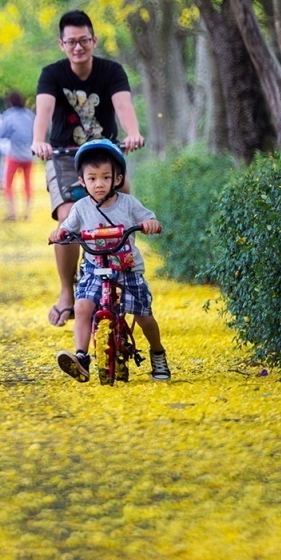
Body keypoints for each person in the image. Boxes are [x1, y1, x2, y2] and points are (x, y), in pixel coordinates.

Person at [32, 9, 144, 327]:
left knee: (124, 207)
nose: (78, 47)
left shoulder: (111, 71)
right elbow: (44, 111)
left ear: (94, 40)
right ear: (62, 44)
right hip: (66, 156)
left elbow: (123, 105)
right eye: (71, 42)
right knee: (68, 216)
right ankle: (67, 292)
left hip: (105, 153)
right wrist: (39, 140)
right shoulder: (52, 74)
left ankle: (129, 274)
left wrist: (132, 132)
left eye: (84, 40)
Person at [50, 140, 171, 382]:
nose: (99, 184)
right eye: (92, 178)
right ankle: (81, 356)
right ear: (82, 181)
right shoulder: (81, 208)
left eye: (106, 177)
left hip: (127, 269)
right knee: (82, 306)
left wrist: (150, 224)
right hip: (95, 268)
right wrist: (60, 233)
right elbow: (67, 228)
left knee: (144, 316)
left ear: (117, 179)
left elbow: (148, 217)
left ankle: (157, 352)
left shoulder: (128, 203)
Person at [0, 91, 35, 220]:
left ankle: (13, 212)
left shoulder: (9, 115)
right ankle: (27, 212)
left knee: (8, 184)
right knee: (28, 184)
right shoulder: (30, 115)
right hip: (29, 155)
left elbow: (1, 134)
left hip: (14, 155)